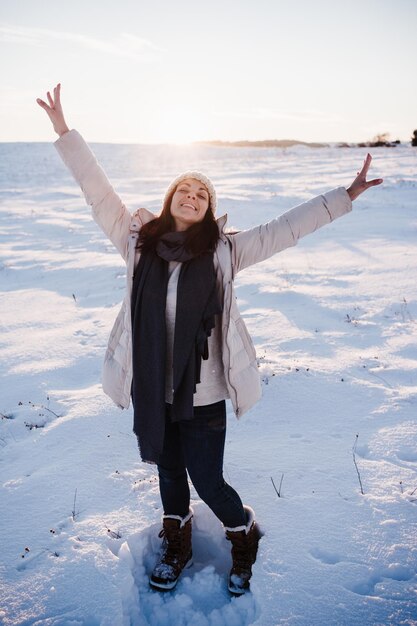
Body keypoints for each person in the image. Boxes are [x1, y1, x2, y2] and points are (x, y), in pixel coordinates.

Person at [37, 83, 383, 596]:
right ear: (171, 199)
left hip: (204, 394)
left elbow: (285, 229)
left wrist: (343, 198)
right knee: (170, 473)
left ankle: (242, 534)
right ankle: (177, 542)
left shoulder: (226, 252)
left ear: (209, 208)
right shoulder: (137, 244)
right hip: (153, 388)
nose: (193, 197)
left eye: (203, 194)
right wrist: (65, 132)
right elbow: (98, 191)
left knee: (207, 478)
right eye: (185, 190)